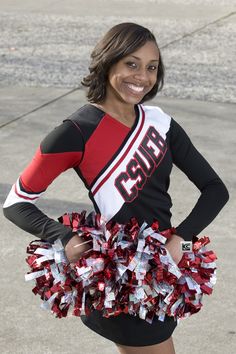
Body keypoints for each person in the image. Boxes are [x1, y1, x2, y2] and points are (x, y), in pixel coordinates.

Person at [3, 22, 229, 354]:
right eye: (131, 64)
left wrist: (180, 237)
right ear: (110, 61)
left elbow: (214, 189)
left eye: (152, 67)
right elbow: (16, 201)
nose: (142, 76)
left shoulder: (160, 123)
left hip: (162, 273)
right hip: (122, 279)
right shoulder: (75, 132)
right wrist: (62, 236)